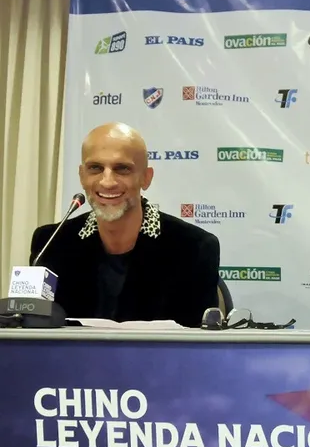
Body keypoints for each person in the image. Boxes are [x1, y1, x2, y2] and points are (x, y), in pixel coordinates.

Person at [29, 122, 220, 327]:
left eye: (122, 169)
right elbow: (34, 328)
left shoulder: (193, 247)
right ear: (82, 176)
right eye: (95, 168)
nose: (107, 182)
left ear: (146, 178)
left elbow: (197, 344)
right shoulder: (51, 242)